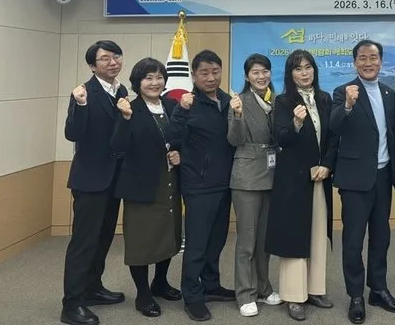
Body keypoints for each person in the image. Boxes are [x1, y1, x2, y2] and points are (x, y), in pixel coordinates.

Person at [330, 40, 395, 324]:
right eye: (362, 58)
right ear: (355, 63)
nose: (368, 63)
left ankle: (378, 289)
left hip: (383, 176)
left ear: (381, 61)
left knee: (381, 236)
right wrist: (348, 105)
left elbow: (393, 133)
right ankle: (355, 296)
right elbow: (334, 126)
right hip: (354, 178)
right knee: (353, 240)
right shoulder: (343, 91)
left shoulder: (388, 92)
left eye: (373, 58)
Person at [266, 50, 339, 321]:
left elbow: (333, 138)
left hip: (320, 176)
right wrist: (296, 123)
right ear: (290, 74)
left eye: (308, 67)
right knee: (294, 235)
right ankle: (295, 296)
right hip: (293, 179)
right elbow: (280, 138)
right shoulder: (283, 101)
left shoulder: (325, 98)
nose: (304, 72)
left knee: (318, 233)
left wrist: (327, 165)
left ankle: (315, 290)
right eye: (298, 69)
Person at [61, 40, 128, 325]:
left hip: (114, 179)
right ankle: (71, 304)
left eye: (116, 57)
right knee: (84, 242)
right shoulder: (83, 93)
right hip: (90, 179)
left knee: (103, 238)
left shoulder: (121, 91)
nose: (113, 62)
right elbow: (73, 133)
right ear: (92, 65)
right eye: (105, 58)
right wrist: (80, 104)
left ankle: (92, 288)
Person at [111, 57, 183, 318]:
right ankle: (143, 294)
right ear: (137, 82)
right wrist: (125, 118)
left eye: (159, 77)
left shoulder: (172, 105)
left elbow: (181, 137)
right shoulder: (129, 109)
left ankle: (160, 282)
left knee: (169, 234)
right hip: (141, 185)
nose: (155, 83)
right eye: (148, 78)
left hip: (170, 182)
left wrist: (179, 153)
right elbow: (117, 147)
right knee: (141, 241)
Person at [168, 50, 236, 322]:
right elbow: (172, 136)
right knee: (196, 244)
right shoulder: (187, 104)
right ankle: (192, 295)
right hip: (198, 184)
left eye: (215, 72)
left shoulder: (228, 101)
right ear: (193, 75)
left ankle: (211, 284)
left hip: (226, 183)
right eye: (204, 73)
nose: (211, 78)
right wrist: (182, 111)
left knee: (217, 240)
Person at [227, 54, 283, 317]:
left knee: (264, 240)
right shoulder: (239, 101)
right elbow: (234, 140)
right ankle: (245, 293)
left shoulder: (276, 100)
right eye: (255, 72)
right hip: (247, 177)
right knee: (247, 241)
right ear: (247, 76)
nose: (261, 76)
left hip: (272, 175)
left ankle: (263, 287)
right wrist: (237, 115)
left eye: (265, 71)